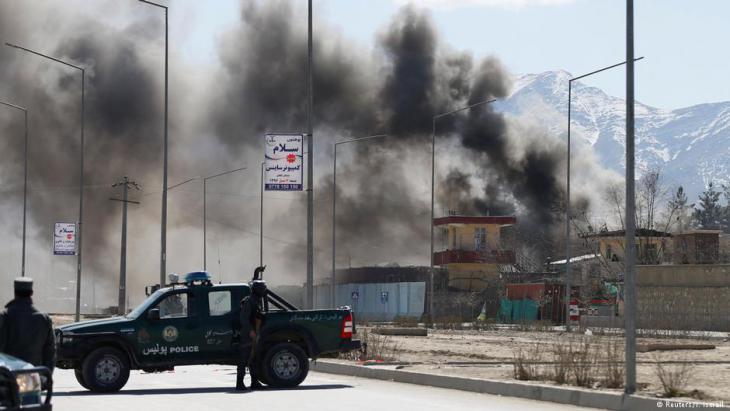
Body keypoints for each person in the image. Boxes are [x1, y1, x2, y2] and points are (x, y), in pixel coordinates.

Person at [0, 277, 55, 372]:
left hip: (8, 376)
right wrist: (46, 375)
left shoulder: (5, 316)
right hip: (34, 376)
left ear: (15, 292)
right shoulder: (44, 318)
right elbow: (50, 351)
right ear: (32, 292)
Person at [236, 280, 266, 391]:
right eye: (262, 289)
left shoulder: (256, 301)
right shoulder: (249, 301)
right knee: (244, 358)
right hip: (248, 334)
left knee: (254, 358)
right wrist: (250, 331)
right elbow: (244, 318)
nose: (263, 291)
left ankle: (254, 382)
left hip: (255, 332)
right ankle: (239, 383)